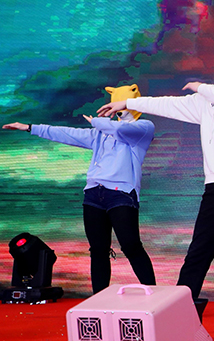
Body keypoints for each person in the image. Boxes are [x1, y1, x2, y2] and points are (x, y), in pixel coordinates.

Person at [98, 30, 214, 341]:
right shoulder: (207, 100)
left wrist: (201, 86)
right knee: (198, 253)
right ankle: (179, 320)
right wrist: (127, 102)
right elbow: (169, 105)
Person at [4, 84, 156, 293]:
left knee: (131, 246)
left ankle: (155, 295)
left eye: (117, 106)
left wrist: (98, 122)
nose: (114, 111)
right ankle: (99, 298)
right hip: (94, 194)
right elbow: (67, 133)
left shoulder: (143, 128)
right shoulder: (101, 133)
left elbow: (120, 130)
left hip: (121, 194)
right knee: (98, 251)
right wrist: (30, 127)